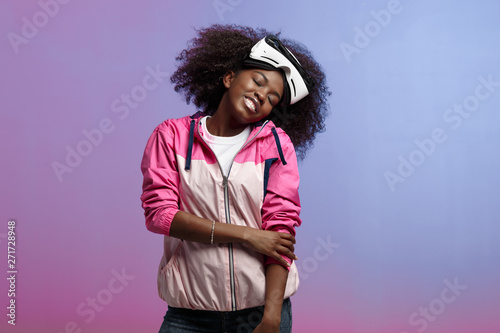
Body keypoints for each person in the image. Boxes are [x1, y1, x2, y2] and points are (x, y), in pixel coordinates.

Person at [140, 24, 329, 333]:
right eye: (258, 81)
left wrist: (270, 318)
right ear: (229, 78)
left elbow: (280, 230)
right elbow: (160, 216)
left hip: (261, 311)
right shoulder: (171, 136)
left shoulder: (276, 144)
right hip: (189, 313)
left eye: (272, 98)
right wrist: (248, 235)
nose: (261, 95)